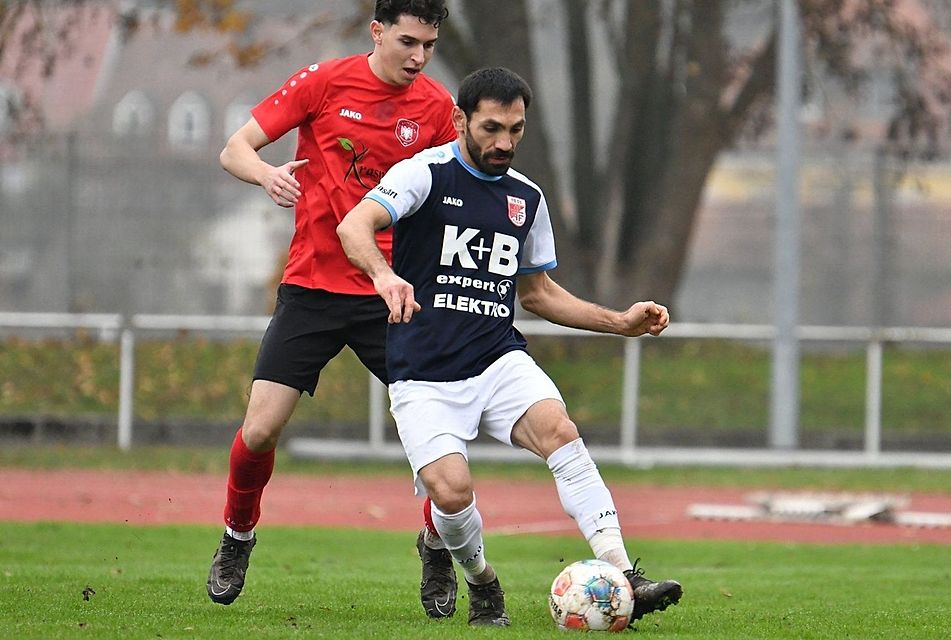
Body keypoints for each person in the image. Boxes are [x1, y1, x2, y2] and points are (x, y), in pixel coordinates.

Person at [336, 66, 684, 627]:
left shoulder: (527, 197)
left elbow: (539, 293)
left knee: (561, 433)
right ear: (460, 120)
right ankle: (481, 580)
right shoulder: (424, 174)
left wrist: (618, 321)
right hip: (423, 372)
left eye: (515, 130)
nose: (504, 143)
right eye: (492, 128)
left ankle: (624, 574)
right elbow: (354, 226)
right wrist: (383, 274)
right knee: (450, 493)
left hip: (497, 358)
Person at [207, 0, 461, 614]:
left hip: (392, 292)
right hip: (313, 289)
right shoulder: (323, 82)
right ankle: (237, 536)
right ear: (377, 31)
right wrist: (266, 175)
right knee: (261, 427)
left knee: (440, 442)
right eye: (407, 42)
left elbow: (460, 188)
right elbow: (234, 148)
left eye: (428, 46)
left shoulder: (434, 108)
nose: (418, 58)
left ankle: (436, 547)